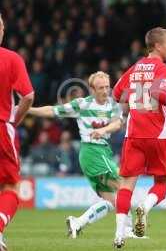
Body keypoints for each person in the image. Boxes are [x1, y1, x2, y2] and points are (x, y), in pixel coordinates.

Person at [112, 27, 166, 248]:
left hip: (134, 134)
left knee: (126, 184)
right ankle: (145, 208)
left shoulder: (135, 68)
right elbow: (159, 94)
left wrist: (134, 96)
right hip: (158, 134)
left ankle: (119, 234)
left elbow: (116, 93)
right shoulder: (163, 68)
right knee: (162, 182)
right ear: (157, 46)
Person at [27, 71, 135, 239]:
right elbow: (53, 110)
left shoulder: (113, 105)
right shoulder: (82, 105)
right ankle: (128, 230)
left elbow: (117, 124)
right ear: (92, 89)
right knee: (123, 186)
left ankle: (77, 222)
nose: (105, 91)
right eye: (101, 88)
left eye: (107, 87)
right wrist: (27, 109)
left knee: (112, 201)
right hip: (92, 151)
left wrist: (103, 130)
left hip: (102, 151)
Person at [0, 14, 35, 251]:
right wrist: (15, 120)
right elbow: (28, 97)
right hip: (1, 127)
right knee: (11, 187)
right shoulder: (11, 58)